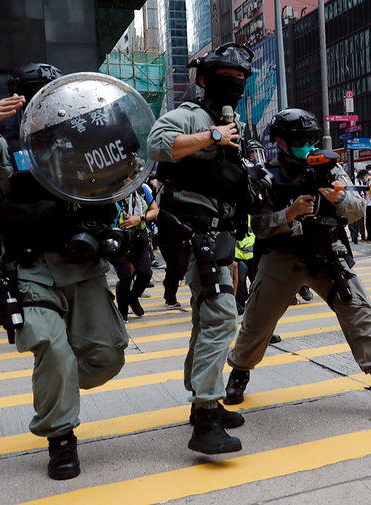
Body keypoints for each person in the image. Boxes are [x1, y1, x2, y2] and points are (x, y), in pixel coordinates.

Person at [0, 63, 130, 480]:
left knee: (107, 356)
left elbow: (120, 174)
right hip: (29, 268)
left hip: (82, 264)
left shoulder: (83, 142)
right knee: (52, 348)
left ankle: (61, 388)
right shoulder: (1, 145)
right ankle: (60, 436)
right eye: (32, 93)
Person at [224, 108, 371, 417]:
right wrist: (288, 214)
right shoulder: (265, 176)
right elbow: (259, 226)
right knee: (256, 323)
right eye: (298, 140)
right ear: (281, 142)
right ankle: (239, 373)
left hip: (327, 252)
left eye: (309, 139)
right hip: (283, 256)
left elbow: (357, 209)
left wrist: (339, 200)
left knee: (360, 314)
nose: (306, 145)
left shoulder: (330, 169)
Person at [149, 42, 257, 455]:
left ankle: (202, 400)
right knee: (220, 319)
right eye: (225, 77)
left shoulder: (232, 122)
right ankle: (206, 417)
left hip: (219, 234)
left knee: (206, 319)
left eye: (240, 79)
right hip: (194, 232)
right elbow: (158, 144)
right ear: (203, 79)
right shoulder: (191, 115)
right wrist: (211, 135)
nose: (233, 85)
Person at [110, 180, 158, 321]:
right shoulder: (108, 189)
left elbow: (155, 210)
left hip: (139, 238)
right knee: (125, 276)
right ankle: (122, 311)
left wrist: (139, 218)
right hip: (117, 240)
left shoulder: (142, 188)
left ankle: (133, 298)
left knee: (146, 273)